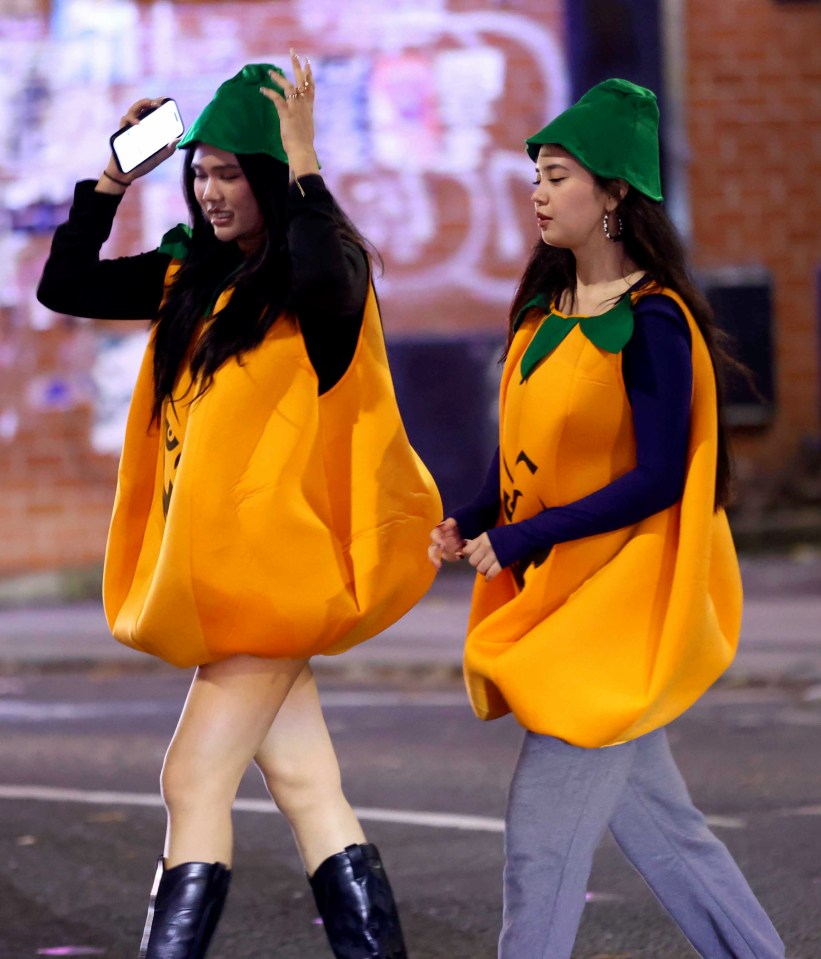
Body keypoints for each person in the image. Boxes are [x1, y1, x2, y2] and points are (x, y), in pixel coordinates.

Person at [37, 55, 441, 959]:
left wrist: (304, 164)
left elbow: (327, 275)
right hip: (229, 580)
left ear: (269, 178)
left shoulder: (320, 287)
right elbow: (63, 286)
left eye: (230, 173)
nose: (211, 191)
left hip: (277, 575)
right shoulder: (190, 276)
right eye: (201, 171)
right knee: (306, 784)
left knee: (191, 778)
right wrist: (111, 179)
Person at [429, 78, 785, 959]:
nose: (539, 193)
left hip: (613, 609)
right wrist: (471, 515)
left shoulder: (653, 320)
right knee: (670, 835)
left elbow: (660, 478)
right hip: (564, 604)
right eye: (536, 177)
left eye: (557, 175)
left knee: (539, 848)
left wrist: (522, 537)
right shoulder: (539, 316)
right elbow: (520, 457)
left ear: (615, 192)